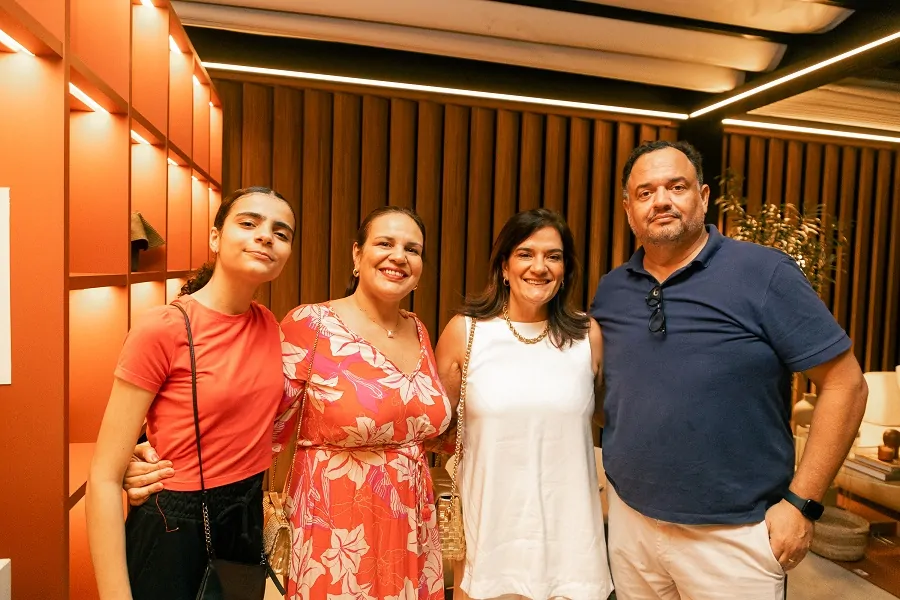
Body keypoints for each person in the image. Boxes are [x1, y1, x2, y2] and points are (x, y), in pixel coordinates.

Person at [121, 206, 450, 599]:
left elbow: (424, 424)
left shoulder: (418, 329)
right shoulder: (311, 325)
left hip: (413, 521)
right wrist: (146, 454)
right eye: (385, 243)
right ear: (357, 255)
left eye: (412, 249)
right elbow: (251, 411)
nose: (399, 256)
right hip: (339, 525)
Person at [590, 140, 868, 600]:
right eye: (645, 192)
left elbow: (846, 384)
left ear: (702, 196)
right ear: (628, 209)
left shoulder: (764, 272)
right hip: (631, 523)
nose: (661, 200)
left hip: (735, 535)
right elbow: (611, 394)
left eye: (676, 186)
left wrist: (802, 503)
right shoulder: (613, 289)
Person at [86, 187, 297, 600]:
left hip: (245, 515)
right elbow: (105, 477)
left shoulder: (270, 325)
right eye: (249, 223)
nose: (266, 236)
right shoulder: (163, 328)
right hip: (175, 524)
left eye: (281, 232)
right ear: (215, 238)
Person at [436, 208, 613, 600]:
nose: (540, 266)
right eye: (525, 253)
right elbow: (436, 429)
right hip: (491, 541)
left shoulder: (588, 336)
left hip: (571, 545)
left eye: (553, 256)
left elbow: (606, 417)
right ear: (504, 266)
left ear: (566, 270)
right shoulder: (466, 332)